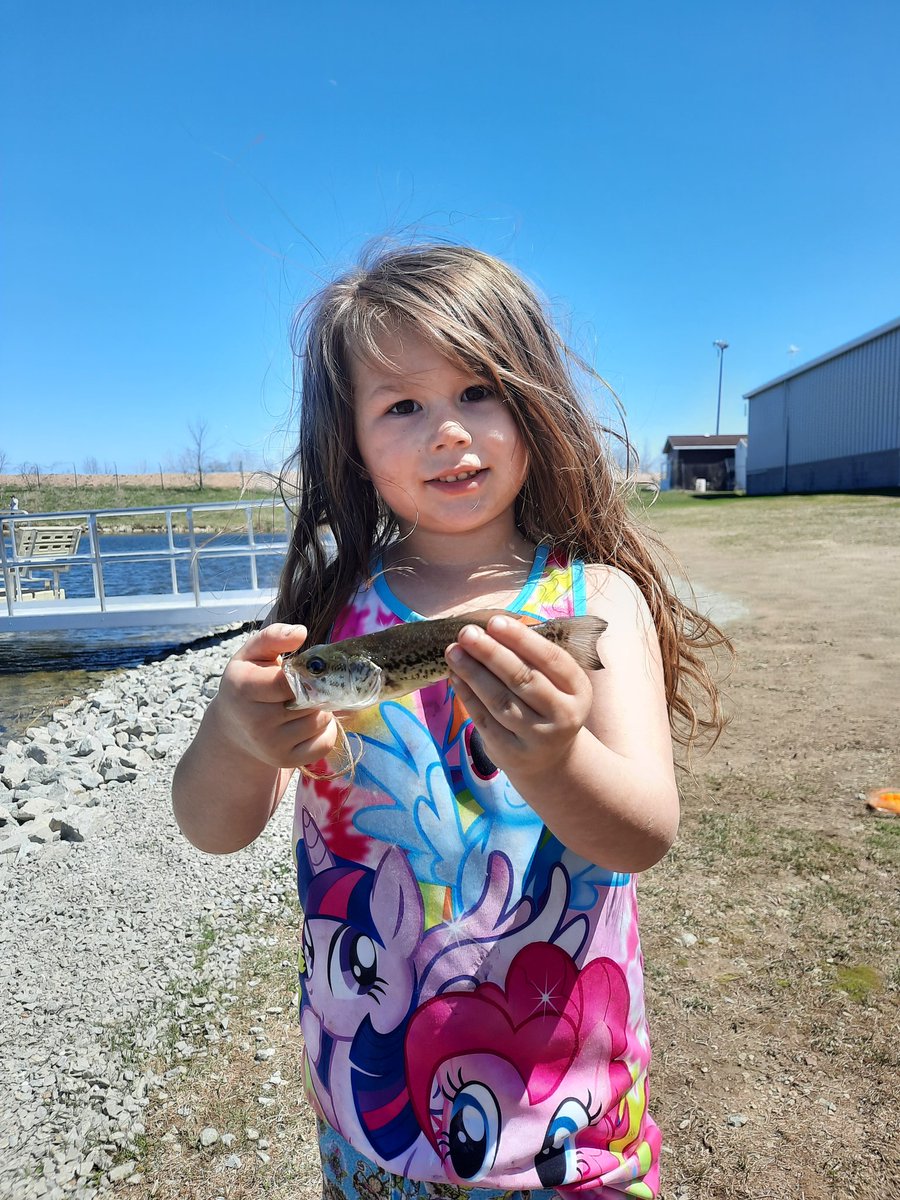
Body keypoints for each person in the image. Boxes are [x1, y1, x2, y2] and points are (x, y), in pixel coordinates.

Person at [173, 244, 729, 1198]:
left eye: (477, 390)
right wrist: (235, 735)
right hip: (375, 1115)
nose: (447, 433)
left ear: (534, 402)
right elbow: (213, 826)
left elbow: (642, 834)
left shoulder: (596, 603)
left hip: (573, 1125)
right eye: (402, 406)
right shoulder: (332, 605)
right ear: (351, 443)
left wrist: (555, 759)